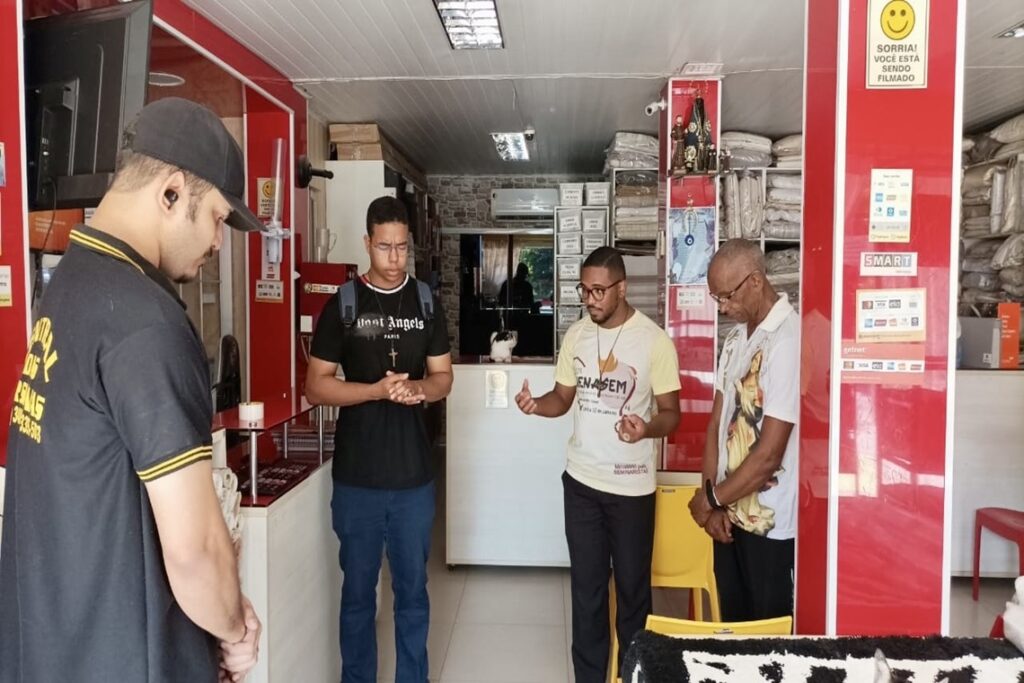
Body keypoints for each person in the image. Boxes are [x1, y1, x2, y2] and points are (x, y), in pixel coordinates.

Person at [0, 98, 262, 682]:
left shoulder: (69, 286)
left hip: (56, 651)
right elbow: (194, 550)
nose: (220, 242)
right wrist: (236, 629)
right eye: (218, 217)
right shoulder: (147, 324)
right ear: (171, 193)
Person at [515, 246, 680, 682]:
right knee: (586, 596)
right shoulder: (577, 335)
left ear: (622, 288)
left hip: (631, 491)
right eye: (584, 290)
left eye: (599, 291)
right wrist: (536, 405)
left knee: (632, 597)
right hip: (582, 485)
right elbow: (562, 398)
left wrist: (644, 428)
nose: (590, 299)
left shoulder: (654, 341)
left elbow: (672, 413)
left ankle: (634, 675)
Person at [305, 196, 453, 683]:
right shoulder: (343, 305)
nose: (394, 260)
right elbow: (316, 384)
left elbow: (443, 378)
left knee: (412, 595)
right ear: (367, 243)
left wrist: (417, 389)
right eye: (384, 247)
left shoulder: (426, 303)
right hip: (357, 481)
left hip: (413, 480)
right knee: (357, 598)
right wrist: (374, 390)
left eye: (402, 248)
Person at [688, 238, 799, 623]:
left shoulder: (787, 340)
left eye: (726, 296)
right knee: (732, 631)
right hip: (727, 517)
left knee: (766, 636)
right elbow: (716, 423)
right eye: (715, 297)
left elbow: (769, 455)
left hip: (769, 525)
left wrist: (713, 500)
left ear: (755, 280)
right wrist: (711, 503)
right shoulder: (736, 339)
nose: (722, 307)